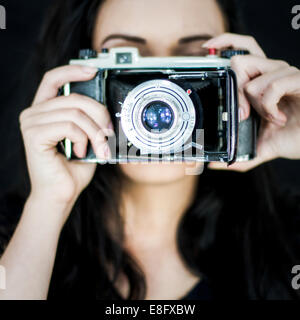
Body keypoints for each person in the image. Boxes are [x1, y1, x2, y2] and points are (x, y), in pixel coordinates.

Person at [0, 0, 300, 300]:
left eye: (194, 58)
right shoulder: (18, 233)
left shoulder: (288, 237)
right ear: (78, 78)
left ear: (236, 75)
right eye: (127, 59)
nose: (160, 91)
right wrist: (47, 206)